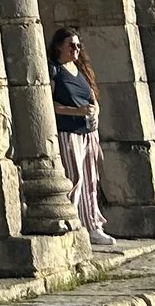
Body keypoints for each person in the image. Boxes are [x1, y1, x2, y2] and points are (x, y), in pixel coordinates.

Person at [51, 28, 119, 249]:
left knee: (91, 179)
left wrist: (95, 111)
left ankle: (93, 226)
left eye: (78, 46)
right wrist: (76, 112)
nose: (76, 49)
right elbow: (48, 106)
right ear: (59, 46)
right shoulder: (55, 71)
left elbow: (92, 97)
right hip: (68, 132)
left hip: (88, 131)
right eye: (71, 45)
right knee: (75, 177)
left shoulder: (80, 71)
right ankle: (72, 222)